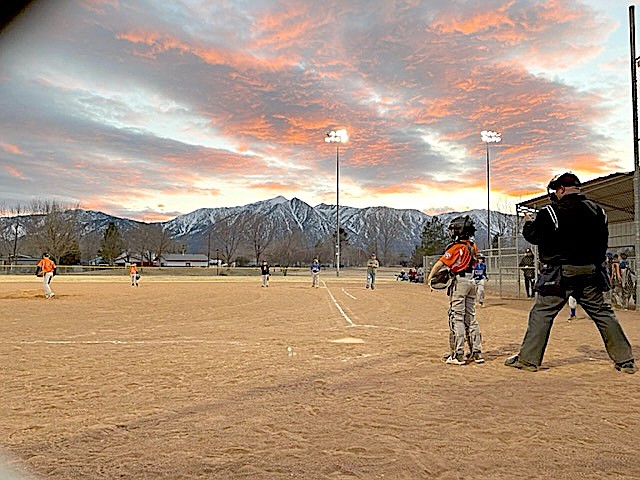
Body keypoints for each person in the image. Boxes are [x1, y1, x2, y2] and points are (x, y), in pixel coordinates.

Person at [505, 172, 637, 374]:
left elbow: (534, 237)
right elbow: (603, 243)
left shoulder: (550, 211)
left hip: (560, 273)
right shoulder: (598, 211)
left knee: (542, 313)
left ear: (561, 189)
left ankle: (528, 360)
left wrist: (528, 223)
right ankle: (625, 360)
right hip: (590, 271)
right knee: (603, 313)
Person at [425, 215, 484, 365]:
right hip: (472, 282)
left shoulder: (457, 247)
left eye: (454, 230)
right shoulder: (472, 246)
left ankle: (458, 354)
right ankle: (476, 352)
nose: (452, 233)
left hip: (461, 282)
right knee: (471, 317)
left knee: (456, 316)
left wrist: (430, 278)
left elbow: (440, 264)